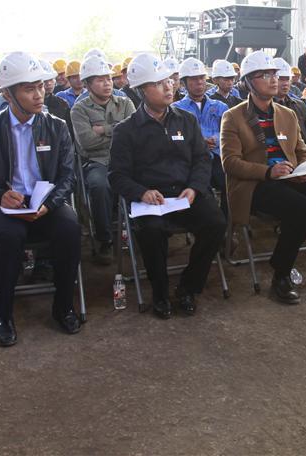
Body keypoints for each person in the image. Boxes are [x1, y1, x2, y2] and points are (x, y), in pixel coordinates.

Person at [221, 51, 306, 304]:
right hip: (257, 184)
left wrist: (304, 170)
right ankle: (281, 275)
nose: (273, 79)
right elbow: (230, 162)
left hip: (291, 177)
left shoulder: (287, 113)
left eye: (274, 74)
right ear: (248, 82)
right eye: (264, 75)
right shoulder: (233, 117)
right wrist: (267, 171)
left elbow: (300, 150)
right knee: (303, 209)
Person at [0, 51, 82, 346]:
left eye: (40, 86)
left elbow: (68, 177)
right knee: (9, 236)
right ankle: (2, 314)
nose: (38, 95)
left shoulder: (56, 126)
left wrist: (49, 204)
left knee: (70, 227)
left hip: (46, 204)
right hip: (7, 206)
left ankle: (64, 306)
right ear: (7, 94)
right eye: (29, 89)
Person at [109, 53, 226, 319]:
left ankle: (188, 287)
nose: (168, 87)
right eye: (158, 83)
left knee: (216, 223)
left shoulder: (186, 120)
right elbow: (117, 175)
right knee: (151, 231)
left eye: (169, 81)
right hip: (151, 201)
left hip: (185, 195)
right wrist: (142, 192)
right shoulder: (126, 130)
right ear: (142, 90)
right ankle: (160, 292)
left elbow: (201, 160)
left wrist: (195, 188)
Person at [71, 53, 135, 262]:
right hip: (97, 162)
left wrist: (104, 130)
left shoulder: (125, 103)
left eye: (108, 78)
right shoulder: (79, 109)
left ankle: (141, 230)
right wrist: (119, 131)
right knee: (99, 185)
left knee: (149, 177)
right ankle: (104, 239)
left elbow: (135, 134)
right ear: (87, 84)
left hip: (126, 160)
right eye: (100, 80)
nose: (107, 83)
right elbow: (86, 143)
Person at [174, 57, 230, 214]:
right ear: (184, 83)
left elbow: (229, 133)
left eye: (201, 78)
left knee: (230, 183)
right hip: (192, 161)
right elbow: (174, 137)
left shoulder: (220, 107)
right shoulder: (176, 109)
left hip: (217, 157)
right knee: (201, 191)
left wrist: (216, 139)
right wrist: (198, 142)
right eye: (193, 79)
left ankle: (228, 221)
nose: (199, 82)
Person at [273, 58, 306, 156]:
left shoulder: (299, 104)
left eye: (287, 79)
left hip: (305, 152)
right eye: (281, 79)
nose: (285, 83)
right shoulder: (267, 107)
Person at [39, 60, 72, 131]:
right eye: (45, 81)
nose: (49, 83)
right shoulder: (29, 106)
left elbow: (69, 131)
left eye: (51, 80)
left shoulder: (62, 104)